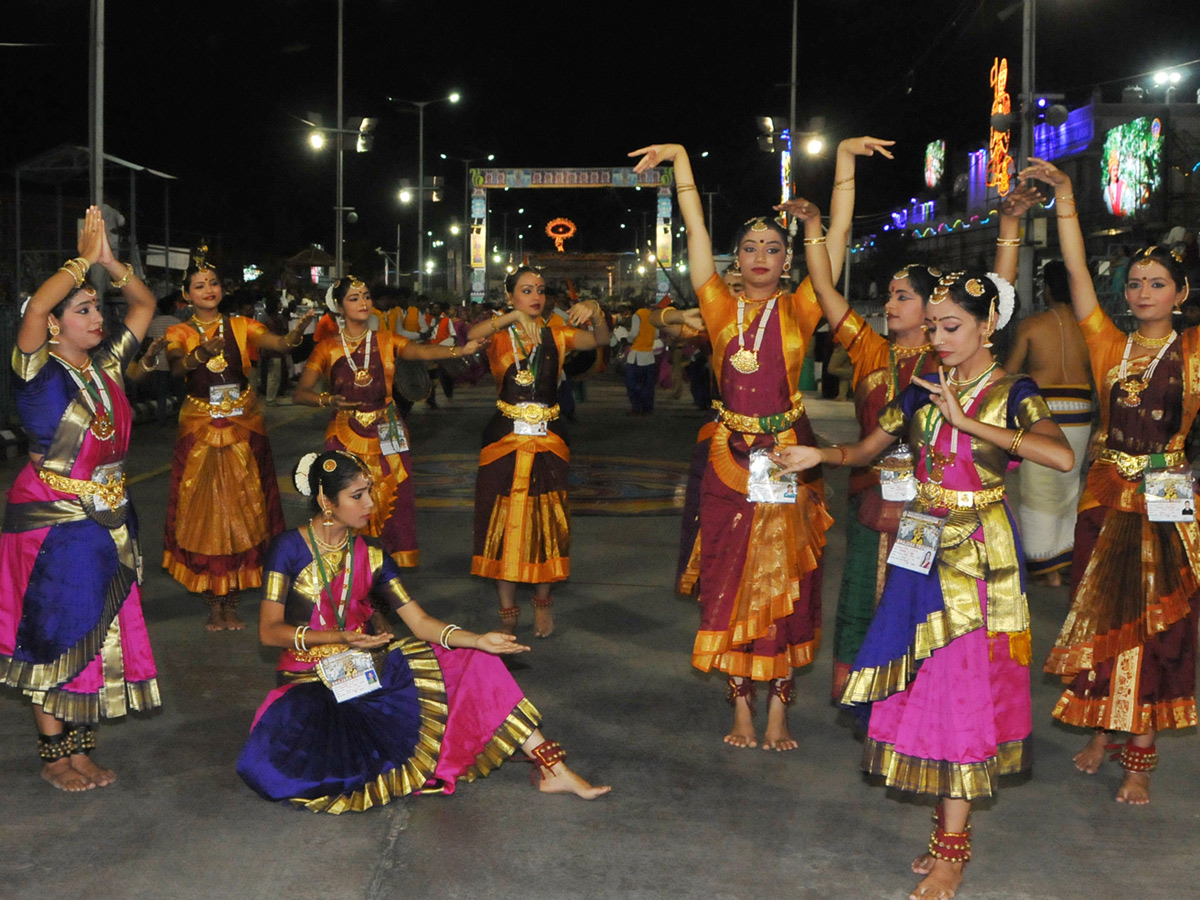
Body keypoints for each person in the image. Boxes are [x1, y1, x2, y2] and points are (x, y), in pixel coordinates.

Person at [774, 243, 1074, 900]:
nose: (937, 339)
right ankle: (944, 838)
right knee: (928, 688)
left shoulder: (1012, 392)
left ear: (988, 323)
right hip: (919, 541)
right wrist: (814, 454)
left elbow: (1058, 456)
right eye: (933, 327)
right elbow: (864, 448)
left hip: (979, 556)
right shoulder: (920, 389)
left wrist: (970, 421)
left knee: (964, 693)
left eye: (952, 327)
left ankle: (952, 854)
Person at [629, 140, 871, 751]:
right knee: (727, 579)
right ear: (733, 259)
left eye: (773, 247)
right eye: (750, 248)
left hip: (789, 454)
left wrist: (840, 169)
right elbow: (691, 222)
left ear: (788, 259)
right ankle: (740, 706)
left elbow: (834, 243)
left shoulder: (802, 307)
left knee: (788, 582)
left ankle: (779, 711)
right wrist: (683, 158)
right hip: (727, 455)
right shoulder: (715, 305)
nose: (761, 256)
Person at [780, 169, 1043, 701]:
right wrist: (813, 229)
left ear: (933, 311)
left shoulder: (944, 360)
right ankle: (862, 693)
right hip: (870, 491)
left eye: (903, 296)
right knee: (858, 594)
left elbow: (992, 301)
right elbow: (826, 289)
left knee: (925, 604)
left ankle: (919, 696)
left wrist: (1010, 226)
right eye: (891, 295)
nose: (890, 304)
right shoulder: (870, 352)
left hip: (934, 503)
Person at [236, 450, 609, 811]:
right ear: (325, 500)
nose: (370, 504)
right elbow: (269, 633)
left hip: (364, 670)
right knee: (273, 770)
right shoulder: (288, 549)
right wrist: (340, 637)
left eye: (370, 493)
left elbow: (420, 622)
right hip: (308, 680)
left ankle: (553, 769)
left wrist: (479, 639)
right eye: (357, 495)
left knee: (475, 660)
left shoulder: (373, 554)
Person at [1023, 156, 1200, 806]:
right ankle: (1100, 725)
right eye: (1134, 283)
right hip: (1104, 496)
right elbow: (1075, 272)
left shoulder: (1195, 352)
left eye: (1156, 284)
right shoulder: (1107, 344)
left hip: (1165, 507)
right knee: (1099, 618)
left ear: (1180, 293)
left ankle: (1140, 758)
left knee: (1155, 630)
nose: (1142, 293)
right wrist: (1066, 198)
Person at [0, 206, 161, 791]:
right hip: (54, 522)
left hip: (110, 518)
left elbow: (143, 306)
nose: (97, 317)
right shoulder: (35, 372)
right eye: (84, 309)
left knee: (98, 633)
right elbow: (38, 304)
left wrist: (113, 265)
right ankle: (53, 757)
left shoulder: (107, 367)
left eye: (96, 308)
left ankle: (81, 748)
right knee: (54, 633)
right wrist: (82, 261)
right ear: (52, 326)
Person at [163, 247, 313, 631]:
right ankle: (215, 603)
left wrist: (295, 335)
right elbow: (177, 364)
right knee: (206, 518)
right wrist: (200, 353)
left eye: (213, 283)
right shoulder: (178, 331)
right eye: (199, 285)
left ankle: (233, 600)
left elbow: (278, 345)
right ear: (187, 294)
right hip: (200, 431)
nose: (208, 289)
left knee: (246, 513)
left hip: (243, 428)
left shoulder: (243, 326)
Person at [292, 276, 486, 567]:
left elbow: (421, 351)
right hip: (344, 434)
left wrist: (461, 350)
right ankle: (348, 568)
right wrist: (326, 401)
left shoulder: (385, 340)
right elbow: (300, 393)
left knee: (395, 502)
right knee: (345, 500)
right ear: (339, 307)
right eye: (354, 298)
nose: (363, 303)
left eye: (366, 296)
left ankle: (385, 569)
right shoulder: (327, 348)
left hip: (387, 431)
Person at [464, 266, 610, 638]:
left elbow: (599, 341)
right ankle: (507, 609)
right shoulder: (498, 334)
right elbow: (470, 334)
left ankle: (543, 605)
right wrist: (510, 318)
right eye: (526, 290)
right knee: (502, 522)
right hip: (504, 440)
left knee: (547, 521)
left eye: (541, 290)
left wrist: (595, 309)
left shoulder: (556, 333)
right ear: (511, 295)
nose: (535, 296)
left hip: (548, 438)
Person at [1003, 259, 1094, 586]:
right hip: (1080, 410)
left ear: (1048, 288)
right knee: (1069, 488)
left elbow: (1010, 372)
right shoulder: (1089, 327)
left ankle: (1046, 567)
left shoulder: (1032, 325)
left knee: (1038, 490)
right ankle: (1065, 556)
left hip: (1041, 410)